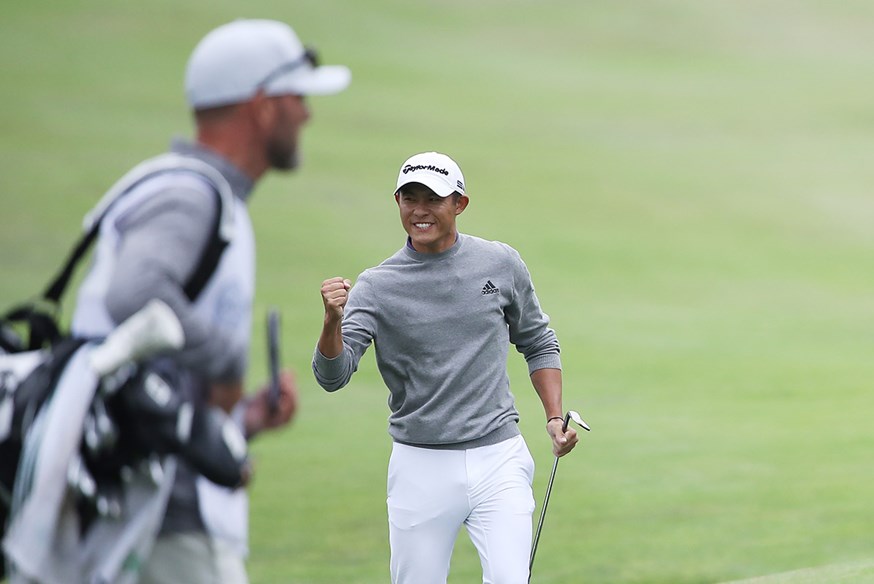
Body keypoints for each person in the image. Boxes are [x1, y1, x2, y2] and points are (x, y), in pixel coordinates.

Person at [69, 18, 351, 583]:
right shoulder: (192, 195)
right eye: (297, 98)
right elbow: (136, 294)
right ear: (263, 107)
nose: (307, 115)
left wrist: (241, 420)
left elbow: (156, 366)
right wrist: (226, 360)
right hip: (160, 508)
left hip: (150, 493)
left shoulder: (200, 192)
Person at [312, 151, 580, 584]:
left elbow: (538, 340)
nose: (420, 210)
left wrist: (553, 417)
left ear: (459, 204)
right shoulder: (377, 286)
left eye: (434, 199)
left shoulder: (500, 263)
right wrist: (331, 322)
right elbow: (332, 376)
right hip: (420, 465)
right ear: (397, 202)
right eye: (409, 198)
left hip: (500, 457)